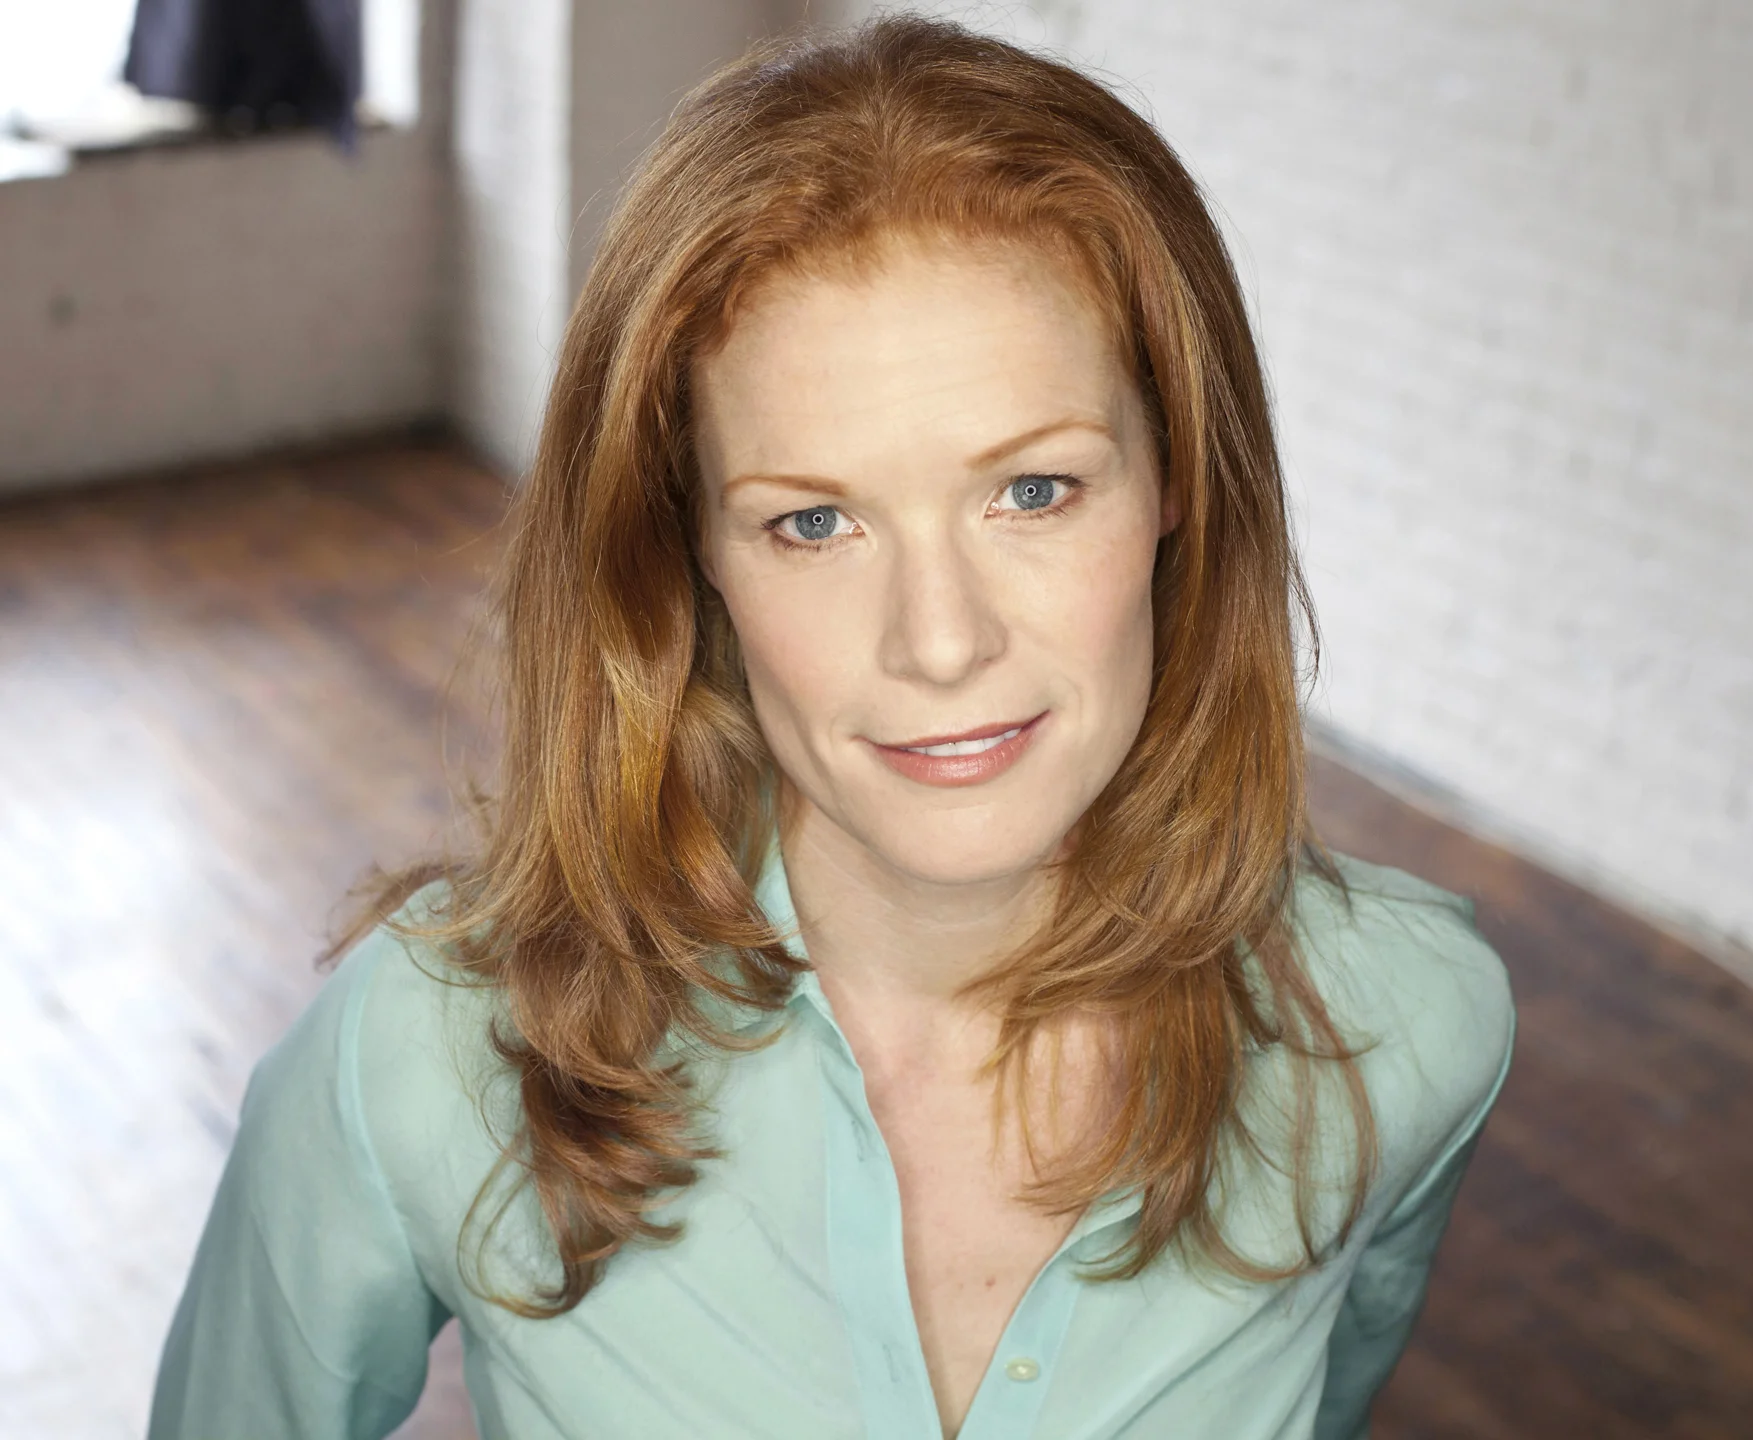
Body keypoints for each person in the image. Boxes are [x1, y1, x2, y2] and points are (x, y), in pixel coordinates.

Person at [148, 14, 1515, 1440]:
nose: (941, 639)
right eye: (814, 520)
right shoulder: (430, 1061)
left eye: (1035, 491)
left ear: (1178, 477)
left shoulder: (1408, 1025)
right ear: (692, 558)